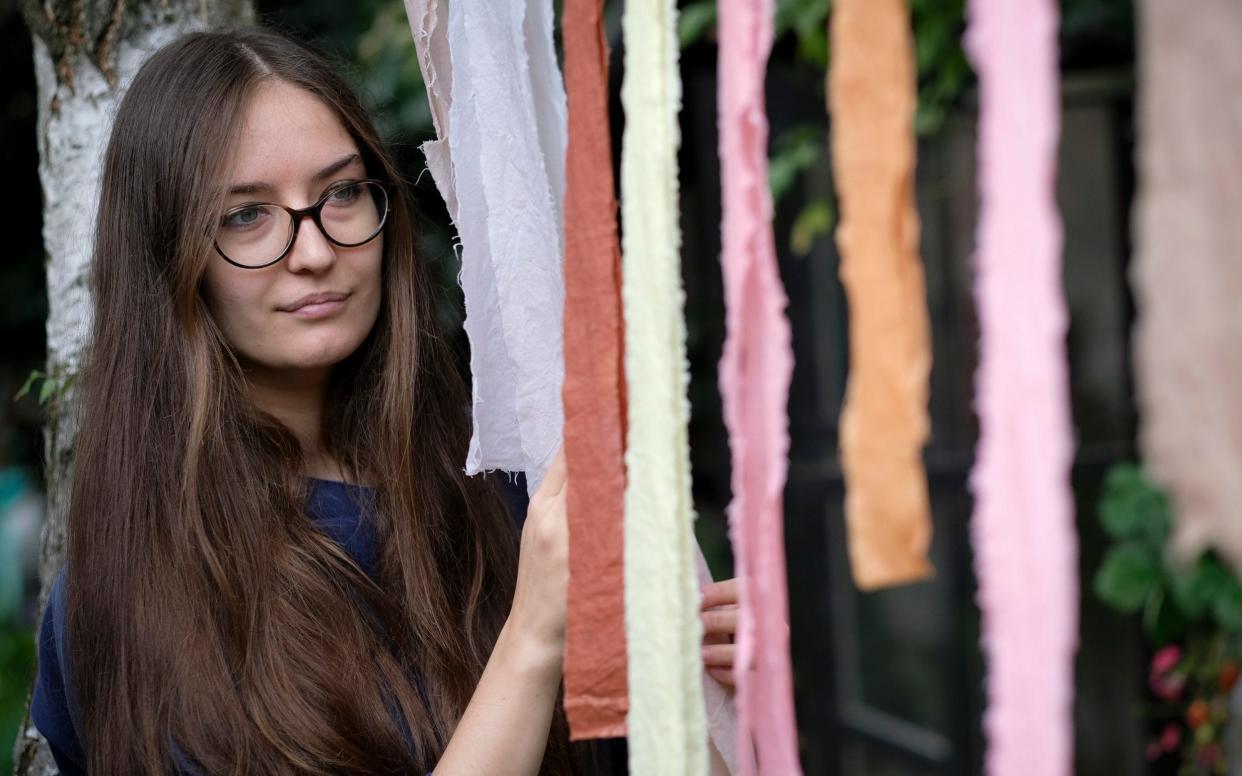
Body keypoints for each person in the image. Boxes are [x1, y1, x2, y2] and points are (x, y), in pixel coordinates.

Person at [29, 26, 740, 776]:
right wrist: (533, 640)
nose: (313, 251)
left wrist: (707, 685)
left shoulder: (500, 493)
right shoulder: (130, 587)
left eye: (340, 193)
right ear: (170, 256)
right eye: (246, 214)